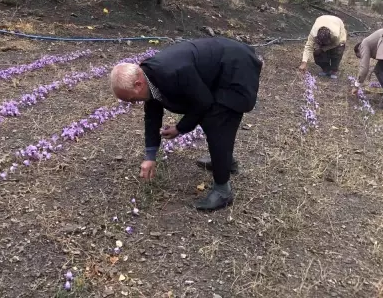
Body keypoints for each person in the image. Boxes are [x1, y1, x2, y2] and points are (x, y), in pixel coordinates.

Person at [110, 37, 262, 211]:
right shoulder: (149, 77)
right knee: (209, 117)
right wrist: (150, 156)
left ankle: (223, 190)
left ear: (138, 84)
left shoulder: (171, 72)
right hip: (218, 69)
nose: (132, 103)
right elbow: (152, 116)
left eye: (130, 99)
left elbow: (203, 103)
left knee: (218, 121)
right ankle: (224, 162)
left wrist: (180, 128)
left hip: (236, 69)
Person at [298, 15, 347, 79]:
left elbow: (336, 43)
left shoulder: (336, 35)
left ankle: (333, 70)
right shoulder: (313, 34)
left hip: (337, 23)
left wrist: (323, 49)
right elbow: (308, 46)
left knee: (337, 51)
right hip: (321, 19)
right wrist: (304, 62)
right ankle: (326, 69)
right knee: (317, 53)